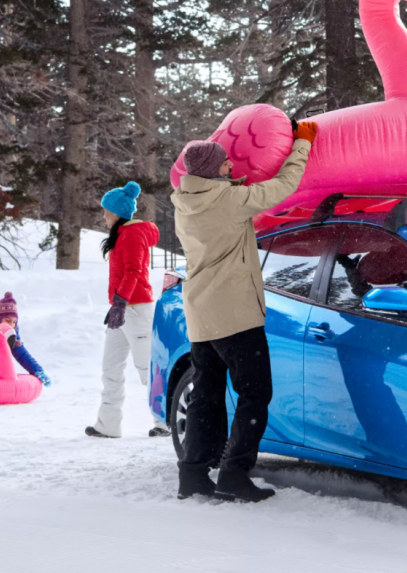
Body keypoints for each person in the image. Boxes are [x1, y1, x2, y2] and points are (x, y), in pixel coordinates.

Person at [171, 120, 317, 502]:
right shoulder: (230, 201)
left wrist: (232, 182)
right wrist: (301, 144)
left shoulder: (185, 202)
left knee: (207, 396)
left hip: (202, 316)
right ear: (213, 171)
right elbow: (284, 187)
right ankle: (234, 473)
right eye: (224, 165)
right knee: (255, 393)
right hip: (235, 315)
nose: (229, 168)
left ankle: (193, 474)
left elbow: (225, 202)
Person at [86, 181, 169, 439]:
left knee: (147, 368)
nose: (103, 215)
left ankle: (164, 423)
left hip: (137, 310)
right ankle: (108, 425)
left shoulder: (132, 234)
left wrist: (120, 303)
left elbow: (135, 271)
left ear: (118, 212)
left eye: (106, 211)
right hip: (121, 309)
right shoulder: (120, 235)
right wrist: (116, 305)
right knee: (110, 368)